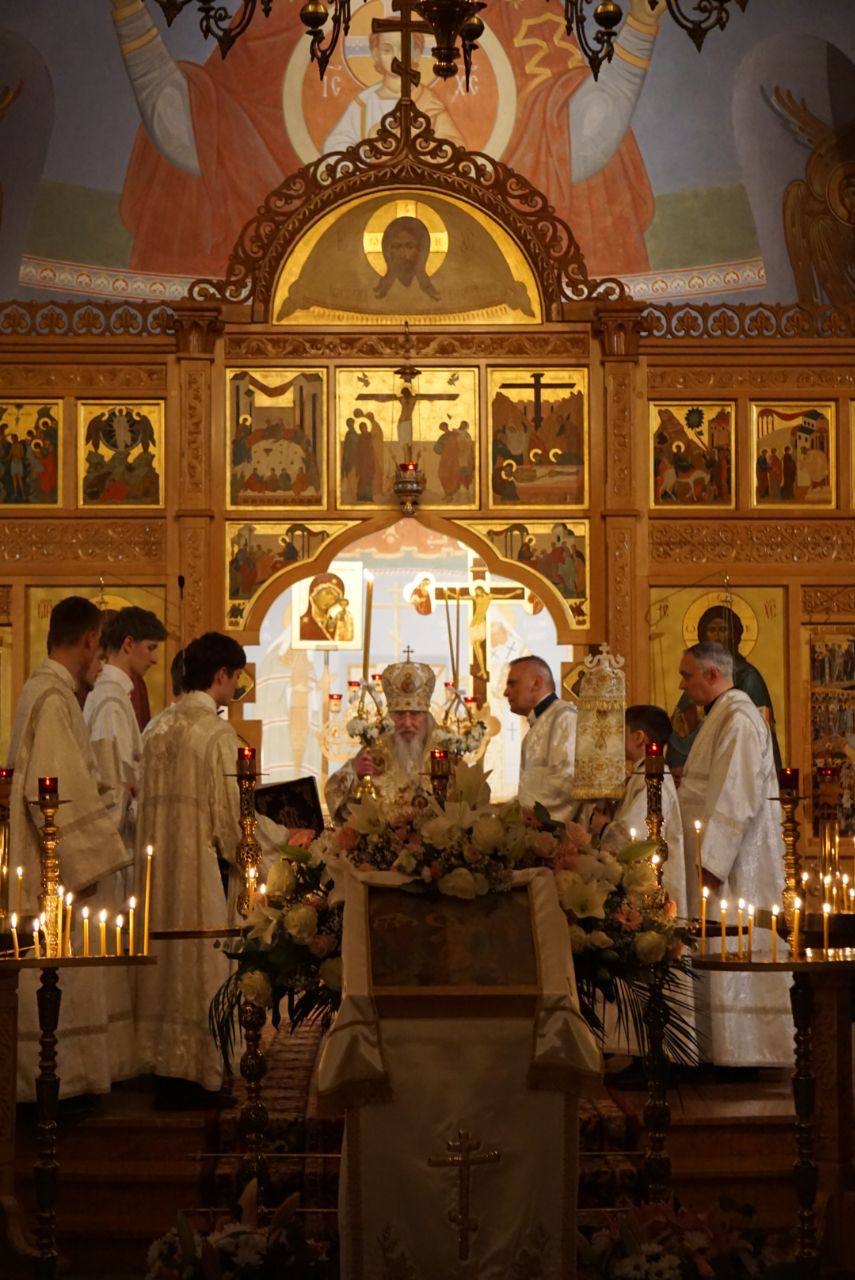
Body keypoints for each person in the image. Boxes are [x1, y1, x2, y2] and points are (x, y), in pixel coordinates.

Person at [113, 1, 664, 279]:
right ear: (372, 57)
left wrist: (641, 22)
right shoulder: (293, 22)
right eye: (388, 52)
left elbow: (565, 141)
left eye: (413, 51)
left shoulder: (519, 18)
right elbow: (210, 134)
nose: (401, 60)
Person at [134, 632, 313, 1102]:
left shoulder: (155, 730)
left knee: (163, 967)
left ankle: (163, 1070)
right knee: (200, 964)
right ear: (221, 675)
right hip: (197, 875)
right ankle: (200, 1072)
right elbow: (235, 821)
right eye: (236, 678)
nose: (237, 687)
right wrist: (286, 841)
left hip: (155, 873)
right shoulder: (215, 734)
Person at [7, 596, 136, 1099]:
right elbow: (53, 792)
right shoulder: (54, 698)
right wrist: (92, 856)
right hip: (54, 870)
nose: (99, 662)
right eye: (99, 649)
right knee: (60, 972)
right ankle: (58, 1086)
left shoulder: (42, 690)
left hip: (49, 861)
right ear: (88, 639)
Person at [676, 642, 792, 1067]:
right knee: (716, 945)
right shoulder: (722, 715)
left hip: (735, 864)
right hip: (716, 855)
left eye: (687, 675)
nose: (682, 685)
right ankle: (718, 1051)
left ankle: (744, 1053)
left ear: (712, 675)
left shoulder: (738, 718)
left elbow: (735, 793)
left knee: (732, 943)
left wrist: (712, 863)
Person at [84, 606, 167, 887]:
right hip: (113, 848)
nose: (155, 659)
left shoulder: (112, 694)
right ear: (129, 644)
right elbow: (112, 785)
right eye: (151, 647)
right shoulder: (111, 701)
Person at [591, 705, 687, 915]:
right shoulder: (640, 774)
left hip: (652, 888)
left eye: (621, 732)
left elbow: (637, 839)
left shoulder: (655, 778)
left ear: (638, 737)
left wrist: (603, 826)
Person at [325, 658, 443, 822]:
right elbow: (333, 793)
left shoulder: (444, 754)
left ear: (427, 717)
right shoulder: (375, 750)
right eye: (399, 714)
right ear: (390, 718)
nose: (407, 723)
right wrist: (354, 771)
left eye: (415, 714)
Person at [668, 604, 781, 773]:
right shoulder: (698, 681)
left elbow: (758, 737)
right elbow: (680, 734)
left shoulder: (747, 677)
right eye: (712, 630)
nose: (718, 636)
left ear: (734, 635)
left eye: (723, 629)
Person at [503, 655, 577, 824]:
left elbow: (568, 780)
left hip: (555, 832)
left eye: (512, 684)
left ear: (536, 683)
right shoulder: (540, 723)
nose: (506, 692)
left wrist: (522, 814)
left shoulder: (565, 717)